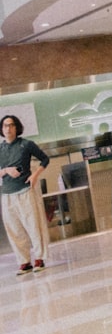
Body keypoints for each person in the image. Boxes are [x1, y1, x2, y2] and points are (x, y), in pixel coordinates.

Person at [0, 115, 50, 274]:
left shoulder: (26, 144)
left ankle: (39, 259)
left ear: (17, 128)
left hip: (25, 191)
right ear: (1, 129)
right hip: (7, 194)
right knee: (14, 229)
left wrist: (35, 175)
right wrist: (6, 170)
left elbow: (45, 159)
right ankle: (24, 261)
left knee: (33, 225)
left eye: (11, 125)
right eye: (5, 126)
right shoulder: (0, 149)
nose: (8, 128)